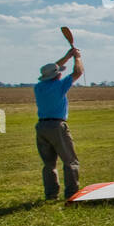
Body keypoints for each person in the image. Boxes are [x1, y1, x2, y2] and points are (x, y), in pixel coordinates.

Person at [34, 46, 84, 200]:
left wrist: (67, 56)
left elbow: (52, 69)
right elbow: (78, 72)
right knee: (70, 161)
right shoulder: (59, 85)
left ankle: (51, 195)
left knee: (49, 164)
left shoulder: (38, 87)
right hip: (57, 126)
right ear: (56, 76)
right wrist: (77, 57)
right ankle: (72, 194)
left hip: (41, 127)